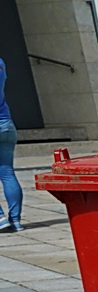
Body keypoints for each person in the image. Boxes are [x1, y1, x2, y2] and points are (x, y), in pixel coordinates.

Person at [0, 56, 20, 232]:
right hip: (6, 124)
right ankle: (16, 221)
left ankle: (0, 218)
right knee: (7, 173)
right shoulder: (0, 63)